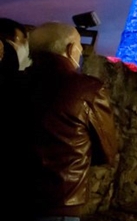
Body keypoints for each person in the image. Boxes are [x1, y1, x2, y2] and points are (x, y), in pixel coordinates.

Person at [18, 22, 118, 221]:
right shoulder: (88, 89)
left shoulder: (11, 82)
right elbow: (107, 150)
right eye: (80, 47)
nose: (80, 52)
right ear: (70, 49)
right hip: (60, 203)